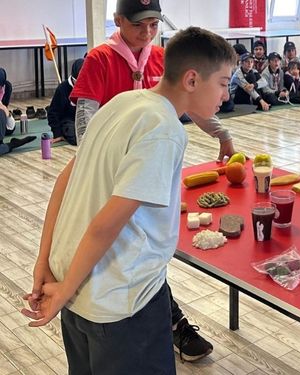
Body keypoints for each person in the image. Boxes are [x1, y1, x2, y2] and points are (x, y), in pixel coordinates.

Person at [20, 26, 235, 374]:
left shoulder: (122, 101)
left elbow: (64, 182)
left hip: (75, 289)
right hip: (121, 303)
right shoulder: (165, 129)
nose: (226, 95)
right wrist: (61, 290)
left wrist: (45, 263)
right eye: (224, 83)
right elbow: (107, 224)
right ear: (192, 80)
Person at [69, 0, 229, 362]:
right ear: (119, 20)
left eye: (154, 24)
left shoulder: (160, 60)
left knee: (140, 252)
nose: (147, 32)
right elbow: (87, 120)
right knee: (124, 251)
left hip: (138, 175)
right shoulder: (102, 60)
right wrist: (90, 162)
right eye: (140, 24)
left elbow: (190, 101)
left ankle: (171, 321)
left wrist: (222, 133)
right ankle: (169, 323)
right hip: (111, 170)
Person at [48, 58, 84, 145]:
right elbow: (53, 113)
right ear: (73, 79)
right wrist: (57, 134)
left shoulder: (90, 85)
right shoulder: (63, 88)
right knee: (78, 139)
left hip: (84, 118)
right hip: (69, 120)